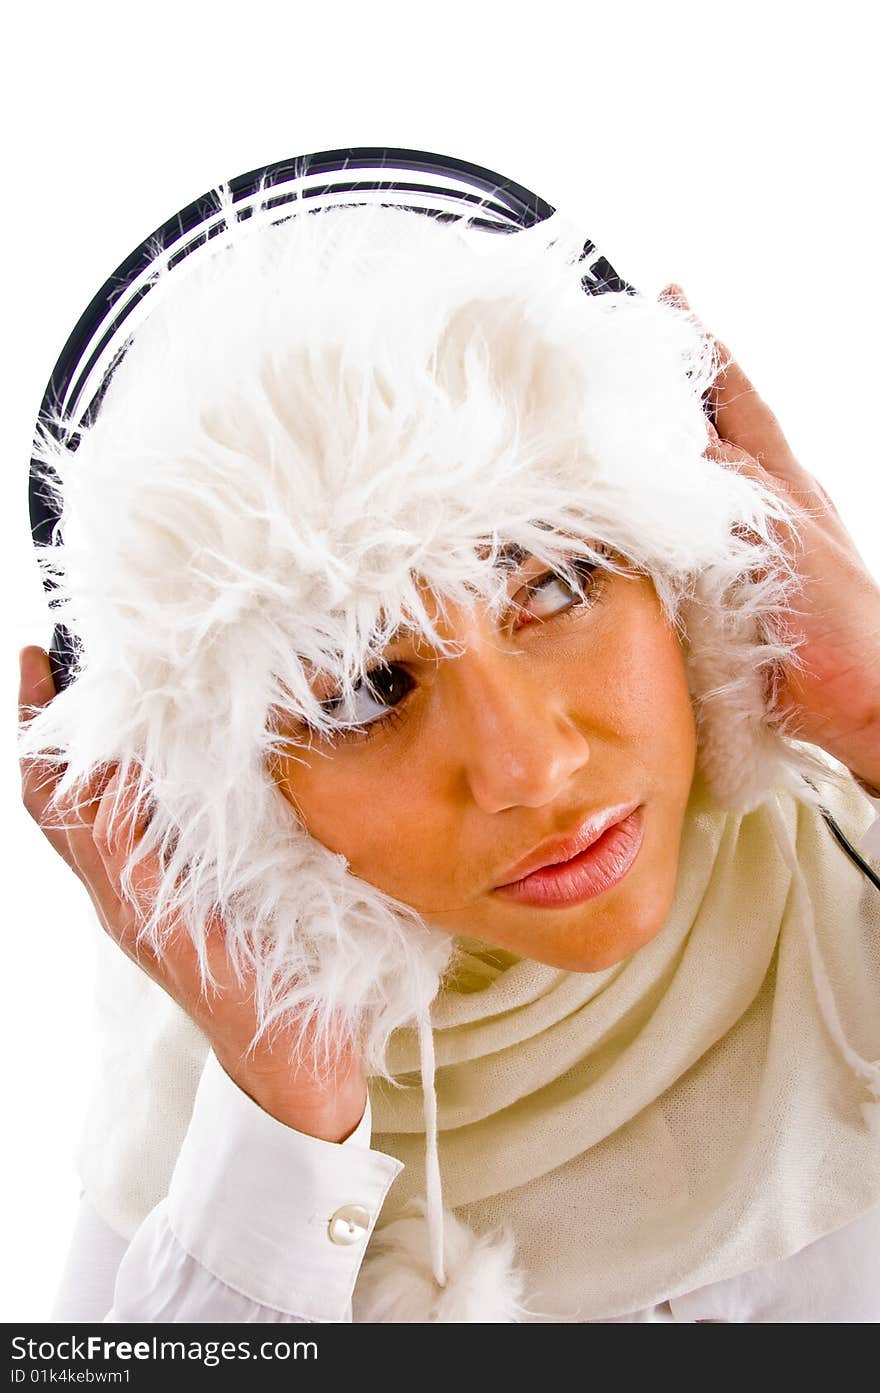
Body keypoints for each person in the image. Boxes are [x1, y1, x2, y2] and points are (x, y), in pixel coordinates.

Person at [18, 195, 880, 1322]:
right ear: (233, 807)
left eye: (557, 586)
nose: (528, 763)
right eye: (365, 690)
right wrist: (290, 1111)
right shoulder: (195, 1128)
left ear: (693, 588)